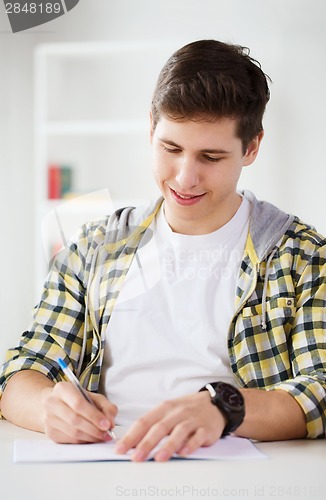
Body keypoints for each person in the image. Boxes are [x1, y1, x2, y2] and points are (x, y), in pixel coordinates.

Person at [0, 40, 325, 462]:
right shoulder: (93, 248)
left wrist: (223, 408)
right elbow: (22, 372)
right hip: (103, 472)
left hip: (242, 480)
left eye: (211, 156)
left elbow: (321, 385)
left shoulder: (300, 256)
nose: (184, 178)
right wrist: (49, 408)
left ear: (252, 147)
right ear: (151, 127)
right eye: (171, 149)